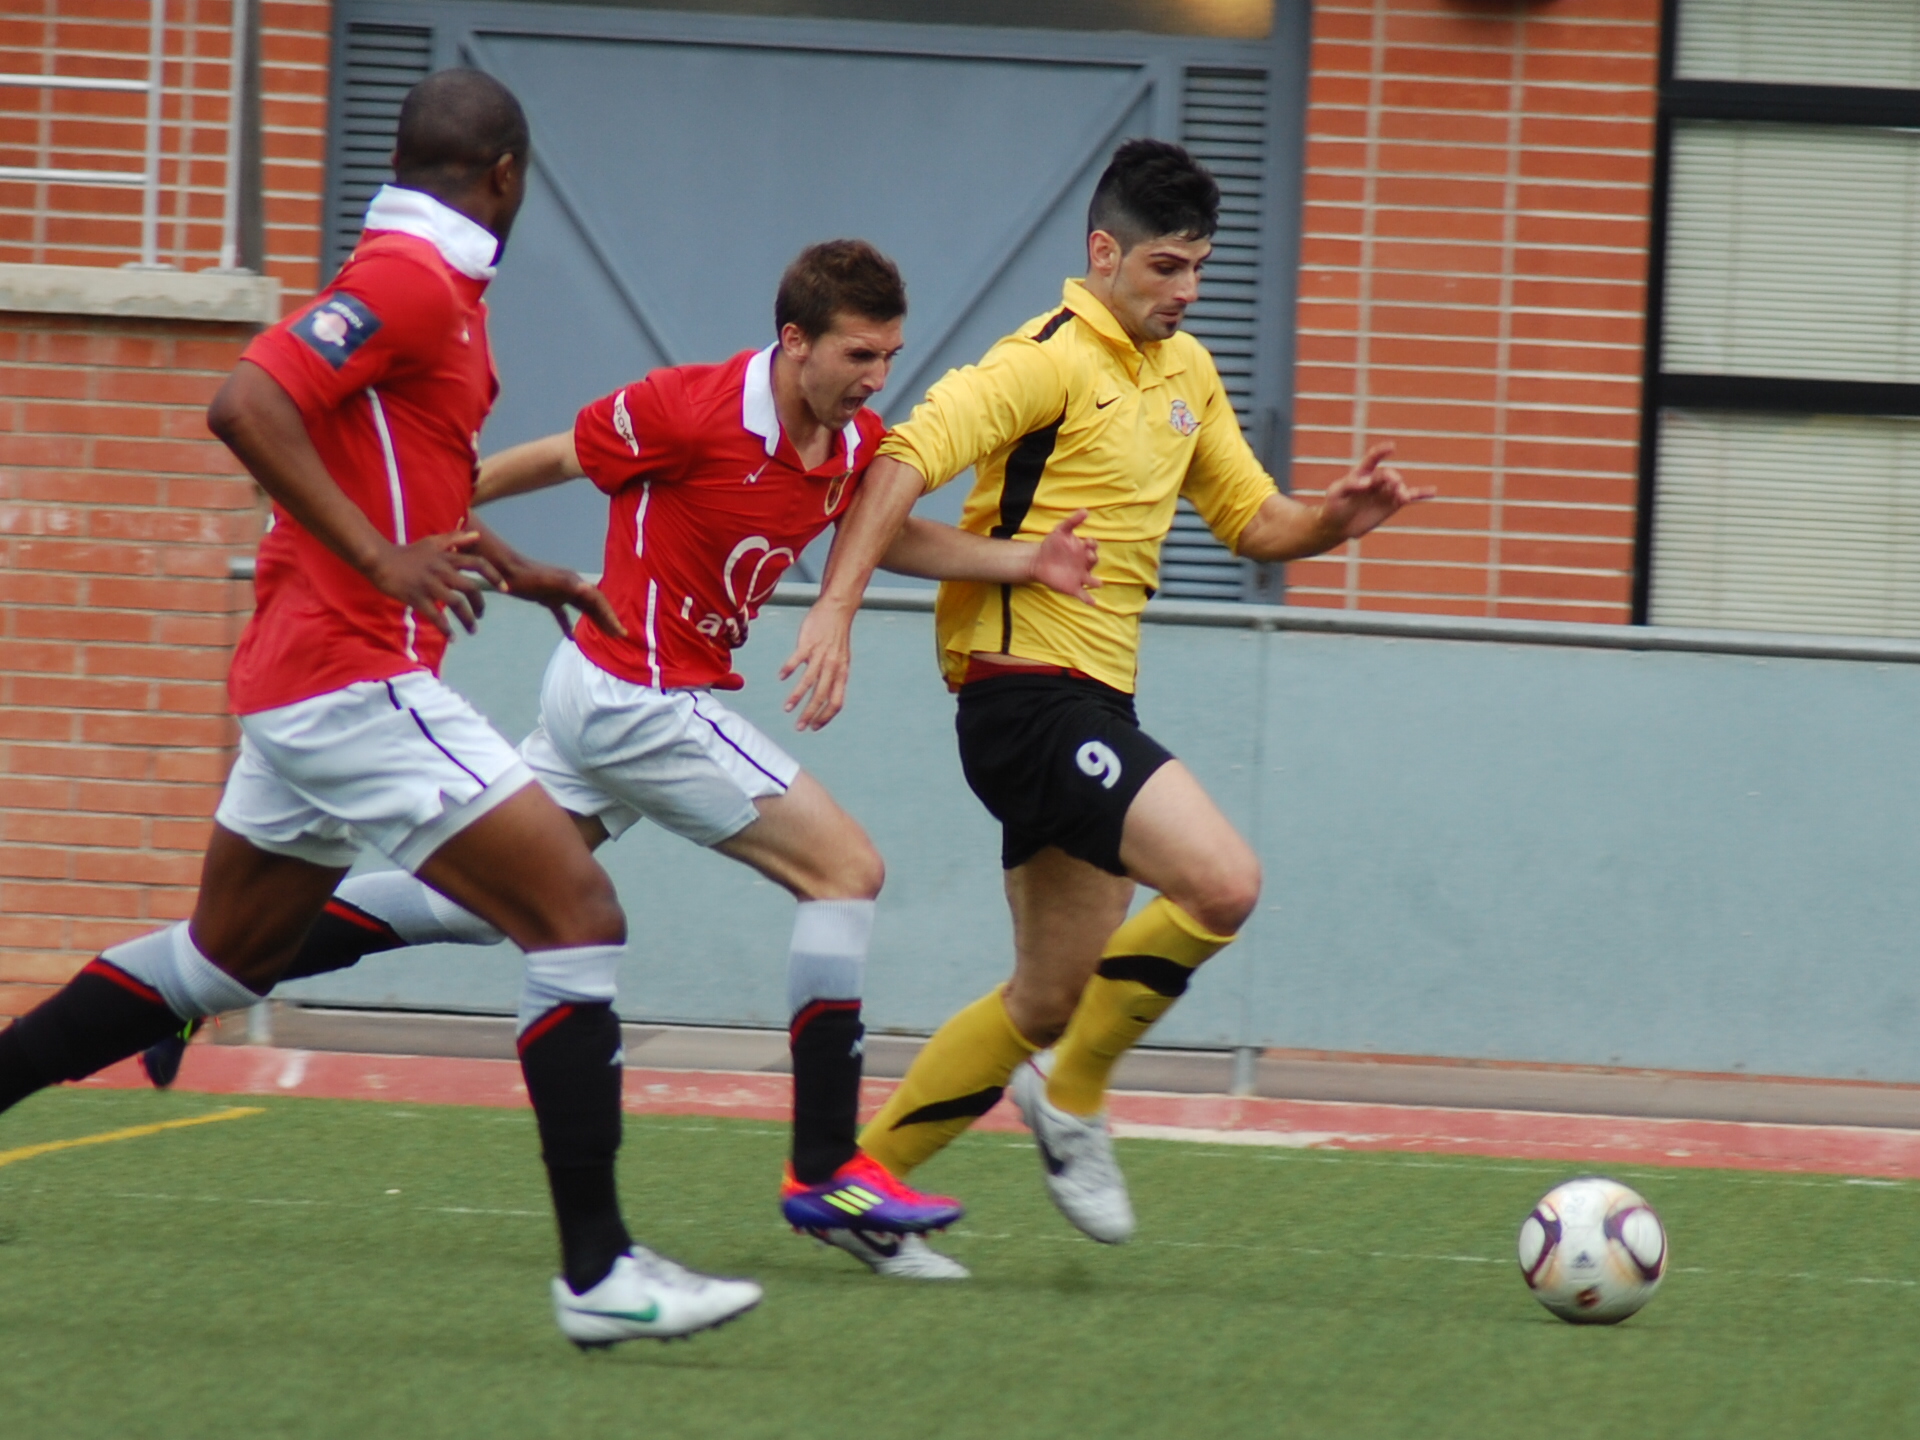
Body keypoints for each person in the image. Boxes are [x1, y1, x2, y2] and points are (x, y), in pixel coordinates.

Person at [145, 240, 1101, 1281]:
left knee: (475, 907)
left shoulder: (849, 440)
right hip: (634, 695)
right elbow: (552, 458)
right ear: (794, 342)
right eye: (861, 354)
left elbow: (880, 534)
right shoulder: (685, 408)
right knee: (847, 871)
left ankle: (195, 973)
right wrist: (429, 524)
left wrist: (1027, 561)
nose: (879, 378)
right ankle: (828, 1168)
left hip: (608, 708)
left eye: (891, 355)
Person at [0, 69, 764, 1348]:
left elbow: (388, 466)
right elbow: (245, 401)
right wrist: (379, 561)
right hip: (353, 675)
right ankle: (600, 1276)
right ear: (508, 175)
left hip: (303, 684)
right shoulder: (411, 278)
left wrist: (508, 566)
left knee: (220, 961)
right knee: (577, 915)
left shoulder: (430, 283)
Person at [779, 139, 1433, 1245]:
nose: (1186, 293)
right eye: (1166, 268)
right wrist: (836, 607)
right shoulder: (1042, 359)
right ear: (1103, 253)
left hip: (1093, 710)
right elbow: (897, 461)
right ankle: (1072, 1094)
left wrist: (1334, 520)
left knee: (1045, 995)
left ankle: (859, 1190)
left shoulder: (1189, 375)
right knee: (1223, 883)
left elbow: (1252, 521)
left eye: (1198, 270)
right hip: (1024, 700)